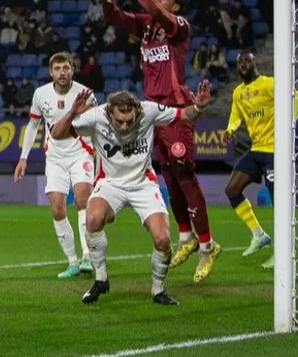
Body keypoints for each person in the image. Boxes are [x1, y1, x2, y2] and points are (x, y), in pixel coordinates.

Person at [101, 0, 221, 283]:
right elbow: (116, 18)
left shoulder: (178, 25)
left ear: (175, 6)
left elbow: (152, 7)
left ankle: (208, 246)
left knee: (184, 174)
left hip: (177, 108)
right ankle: (186, 238)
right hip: (152, 112)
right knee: (168, 176)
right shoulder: (146, 26)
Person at [50, 82, 213, 306]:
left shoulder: (148, 111)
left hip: (143, 184)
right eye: (120, 121)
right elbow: (56, 134)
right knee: (92, 218)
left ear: (137, 111)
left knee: (163, 239)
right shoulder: (97, 116)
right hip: (110, 184)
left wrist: (199, 107)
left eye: (130, 121)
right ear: (109, 113)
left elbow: (185, 114)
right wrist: (71, 113)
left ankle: (158, 290)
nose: (125, 127)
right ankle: (101, 279)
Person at [14, 52, 95, 278]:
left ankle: (88, 256)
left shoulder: (85, 94)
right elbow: (33, 126)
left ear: (72, 69)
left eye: (66, 68)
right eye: (57, 68)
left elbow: (96, 123)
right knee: (57, 208)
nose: (62, 72)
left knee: (81, 198)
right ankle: (72, 262)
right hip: (55, 157)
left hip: (81, 151)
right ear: (51, 72)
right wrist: (23, 157)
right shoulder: (41, 94)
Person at [222, 52, 298, 269]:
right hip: (256, 150)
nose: (242, 65)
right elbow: (235, 115)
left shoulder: (269, 84)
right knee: (232, 189)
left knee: (279, 203)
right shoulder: (239, 93)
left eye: (246, 61)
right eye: (239, 62)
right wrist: (230, 130)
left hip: (275, 152)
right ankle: (258, 235)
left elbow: (297, 98)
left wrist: (289, 122)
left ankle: (284, 253)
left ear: (255, 63)